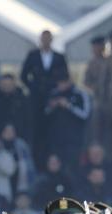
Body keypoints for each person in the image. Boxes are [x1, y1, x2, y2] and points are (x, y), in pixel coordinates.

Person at [21, 30, 69, 163]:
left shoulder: (59, 57)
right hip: (36, 99)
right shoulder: (33, 56)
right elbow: (24, 75)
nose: (46, 41)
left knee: (53, 130)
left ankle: (52, 159)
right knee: (36, 130)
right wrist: (33, 87)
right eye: (44, 38)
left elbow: (65, 77)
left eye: (48, 38)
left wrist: (56, 90)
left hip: (53, 97)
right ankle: (37, 159)